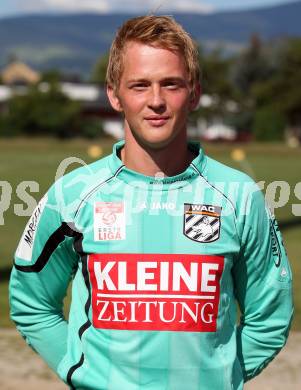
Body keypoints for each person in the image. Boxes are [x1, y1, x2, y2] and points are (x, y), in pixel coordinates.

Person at [9, 15, 293, 390]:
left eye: (171, 84)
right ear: (114, 94)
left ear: (193, 93)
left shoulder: (240, 196)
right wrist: (81, 371)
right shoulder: (72, 195)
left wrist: (220, 376)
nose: (156, 101)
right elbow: (31, 302)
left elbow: (269, 316)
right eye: (140, 85)